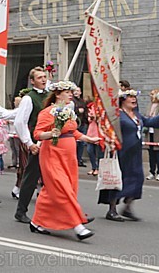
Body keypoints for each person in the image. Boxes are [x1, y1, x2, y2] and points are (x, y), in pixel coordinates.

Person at [29, 80, 100, 240]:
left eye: (71, 92)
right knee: (62, 189)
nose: (71, 95)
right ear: (58, 94)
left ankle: (37, 222)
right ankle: (77, 225)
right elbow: (37, 134)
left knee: (53, 190)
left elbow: (72, 131)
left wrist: (89, 139)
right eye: (67, 92)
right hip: (52, 154)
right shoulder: (48, 112)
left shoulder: (68, 111)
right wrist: (51, 134)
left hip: (68, 157)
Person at [98, 89, 159, 221]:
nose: (134, 99)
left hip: (135, 153)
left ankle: (128, 207)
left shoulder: (136, 114)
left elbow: (148, 122)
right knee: (118, 180)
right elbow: (108, 128)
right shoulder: (117, 114)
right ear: (123, 99)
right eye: (130, 97)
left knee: (137, 179)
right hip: (121, 152)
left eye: (135, 97)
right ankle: (112, 210)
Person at [13, 67, 49, 223]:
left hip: (50, 142)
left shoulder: (50, 96)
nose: (43, 79)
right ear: (32, 81)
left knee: (55, 178)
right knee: (31, 178)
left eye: (44, 77)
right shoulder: (29, 98)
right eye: (39, 77)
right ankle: (21, 211)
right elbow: (20, 122)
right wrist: (29, 143)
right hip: (37, 142)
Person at [146, 89, 159, 181]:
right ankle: (151, 171)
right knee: (151, 153)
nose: (151, 96)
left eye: (152, 94)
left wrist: (152, 120)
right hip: (149, 132)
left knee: (158, 153)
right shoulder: (149, 105)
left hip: (158, 132)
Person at [86, 101, 103, 176]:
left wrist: (97, 117)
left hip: (99, 132)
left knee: (99, 152)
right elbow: (89, 120)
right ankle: (93, 167)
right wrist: (91, 117)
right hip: (91, 132)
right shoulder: (91, 106)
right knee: (90, 151)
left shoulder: (102, 108)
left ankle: (99, 168)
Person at [73, 87, 88, 167]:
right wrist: (78, 111)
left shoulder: (82, 101)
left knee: (82, 143)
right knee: (74, 143)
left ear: (80, 92)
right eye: (75, 91)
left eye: (78, 91)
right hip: (75, 124)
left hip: (82, 124)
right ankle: (74, 159)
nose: (76, 92)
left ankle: (79, 159)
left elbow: (85, 110)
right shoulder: (72, 101)